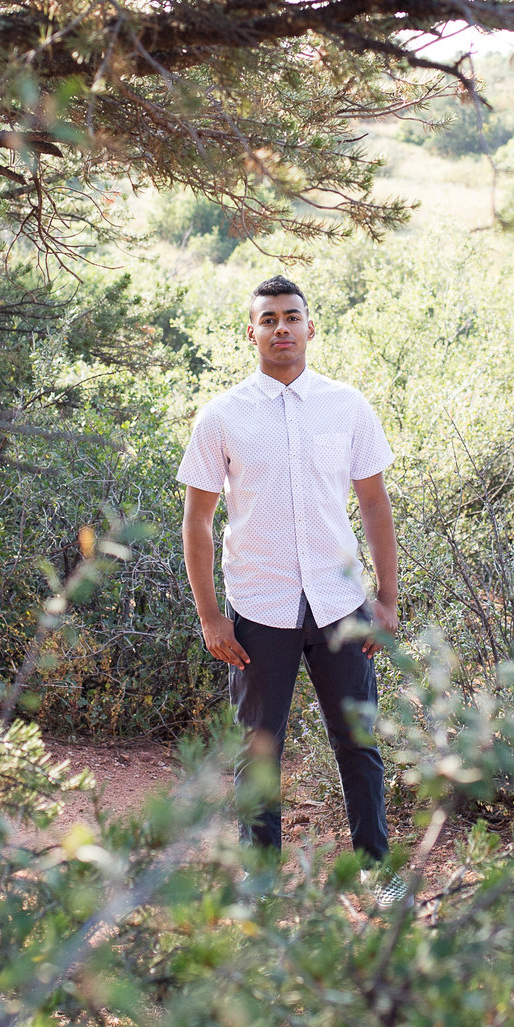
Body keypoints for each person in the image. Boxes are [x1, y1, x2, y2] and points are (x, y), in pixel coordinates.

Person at [178, 274, 399, 872]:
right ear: (250, 332)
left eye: (292, 317)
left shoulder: (347, 405)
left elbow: (375, 503)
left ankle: (377, 873)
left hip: (340, 604)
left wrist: (387, 601)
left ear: (309, 326)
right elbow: (197, 520)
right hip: (259, 607)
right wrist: (210, 616)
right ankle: (260, 884)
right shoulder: (222, 416)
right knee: (258, 751)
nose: (282, 328)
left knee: (359, 744)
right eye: (269, 319)